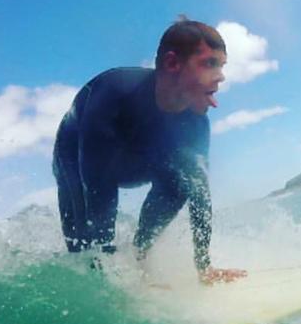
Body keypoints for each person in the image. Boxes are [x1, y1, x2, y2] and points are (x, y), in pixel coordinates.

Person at [52, 17, 246, 284]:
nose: (221, 76)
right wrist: (111, 278)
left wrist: (204, 266)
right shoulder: (113, 92)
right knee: (86, 248)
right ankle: (99, 279)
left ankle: (140, 257)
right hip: (76, 158)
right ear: (172, 63)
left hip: (141, 154)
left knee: (183, 181)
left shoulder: (196, 123)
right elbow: (99, 189)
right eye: (210, 64)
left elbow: (199, 193)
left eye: (221, 66)